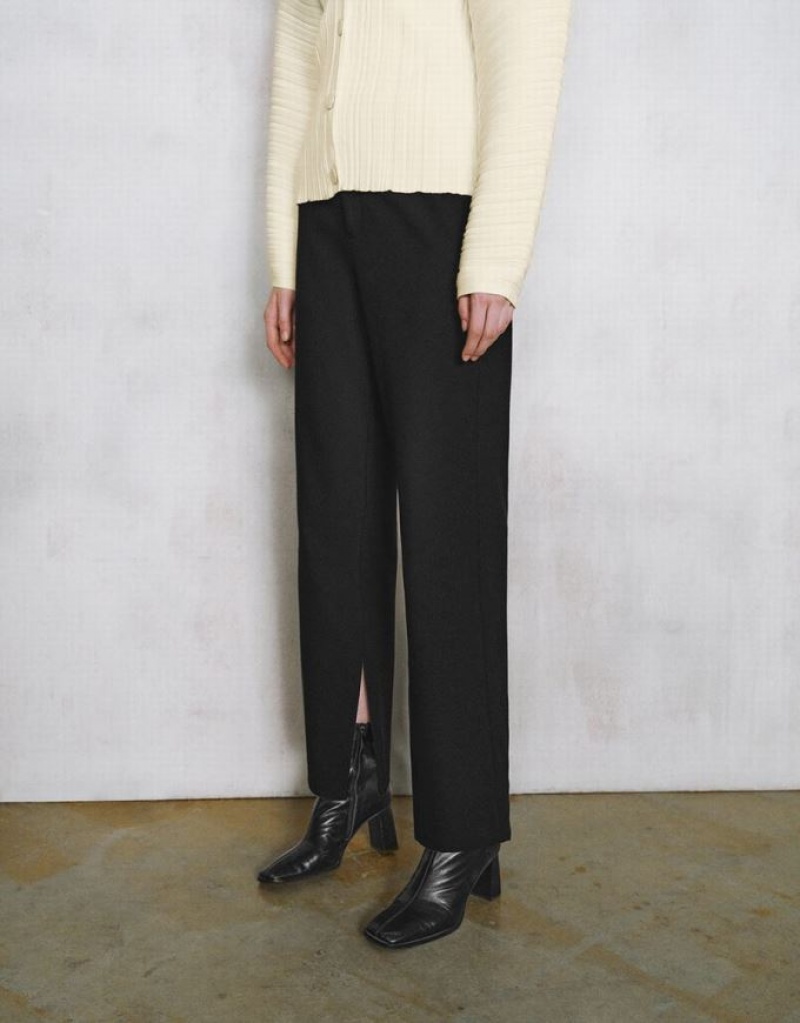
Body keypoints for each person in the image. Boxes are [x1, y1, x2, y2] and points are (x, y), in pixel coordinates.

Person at [258, 0, 572, 950]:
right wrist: (284, 254)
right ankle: (349, 780)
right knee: (336, 513)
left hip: (440, 221)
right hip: (327, 219)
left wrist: (497, 257)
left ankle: (463, 832)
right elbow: (297, 63)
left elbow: (526, 59)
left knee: (446, 528)